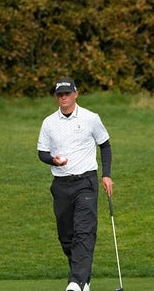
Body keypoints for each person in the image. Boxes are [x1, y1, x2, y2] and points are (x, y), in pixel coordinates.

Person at [37, 77, 114, 291]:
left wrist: (106, 175)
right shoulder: (48, 122)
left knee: (84, 231)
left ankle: (76, 282)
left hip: (86, 182)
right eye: (59, 94)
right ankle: (83, 280)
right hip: (61, 185)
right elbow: (41, 153)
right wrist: (53, 160)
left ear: (75, 94)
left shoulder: (91, 118)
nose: (63, 97)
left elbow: (105, 145)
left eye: (67, 94)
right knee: (66, 237)